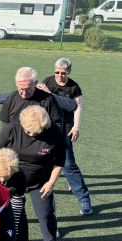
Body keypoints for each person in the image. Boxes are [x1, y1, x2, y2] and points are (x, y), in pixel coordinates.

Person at [0, 105, 65, 241]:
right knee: (3, 214)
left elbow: (60, 161)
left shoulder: (54, 132)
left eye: (37, 132)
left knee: (46, 215)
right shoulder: (11, 128)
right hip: (12, 180)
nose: (32, 134)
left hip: (40, 181)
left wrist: (51, 183)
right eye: (28, 131)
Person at [40, 58, 93, 215]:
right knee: (43, 162)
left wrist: (76, 127)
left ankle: (84, 200)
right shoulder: (47, 81)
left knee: (69, 164)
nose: (59, 76)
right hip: (48, 127)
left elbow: (77, 108)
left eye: (63, 73)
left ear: (68, 72)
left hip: (66, 128)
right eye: (57, 72)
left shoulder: (74, 87)